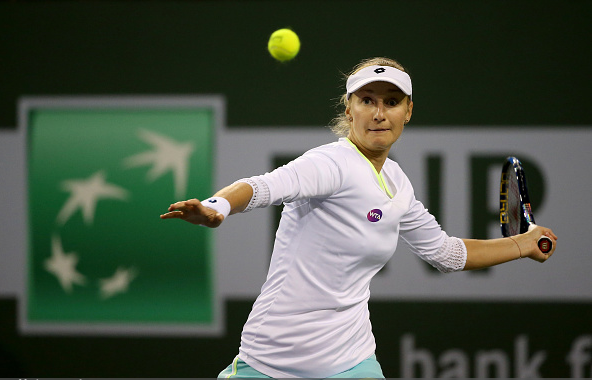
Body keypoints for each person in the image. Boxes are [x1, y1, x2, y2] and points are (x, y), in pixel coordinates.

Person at [160, 57, 558, 378]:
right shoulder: (330, 163)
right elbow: (262, 186)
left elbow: (447, 254)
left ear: (408, 111)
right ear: (349, 109)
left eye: (391, 101)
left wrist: (523, 244)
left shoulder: (398, 183)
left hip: (352, 359)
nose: (379, 113)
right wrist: (217, 207)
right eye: (367, 100)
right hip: (274, 361)